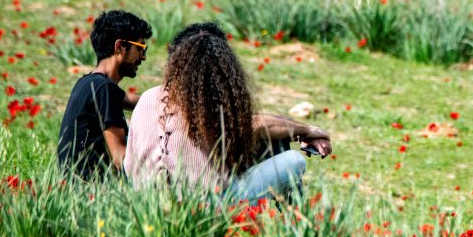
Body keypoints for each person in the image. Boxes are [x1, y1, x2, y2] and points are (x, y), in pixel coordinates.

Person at [124, 26, 331, 203]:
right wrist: (308, 131)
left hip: (145, 207)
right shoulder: (205, 103)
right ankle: (295, 226)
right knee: (294, 160)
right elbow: (257, 125)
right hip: (203, 209)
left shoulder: (148, 97)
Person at [57, 10, 152, 179]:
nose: (143, 57)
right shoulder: (104, 89)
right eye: (140, 48)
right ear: (119, 47)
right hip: (92, 192)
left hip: (73, 188)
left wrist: (172, 101)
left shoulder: (89, 83)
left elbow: (138, 101)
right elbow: (119, 157)